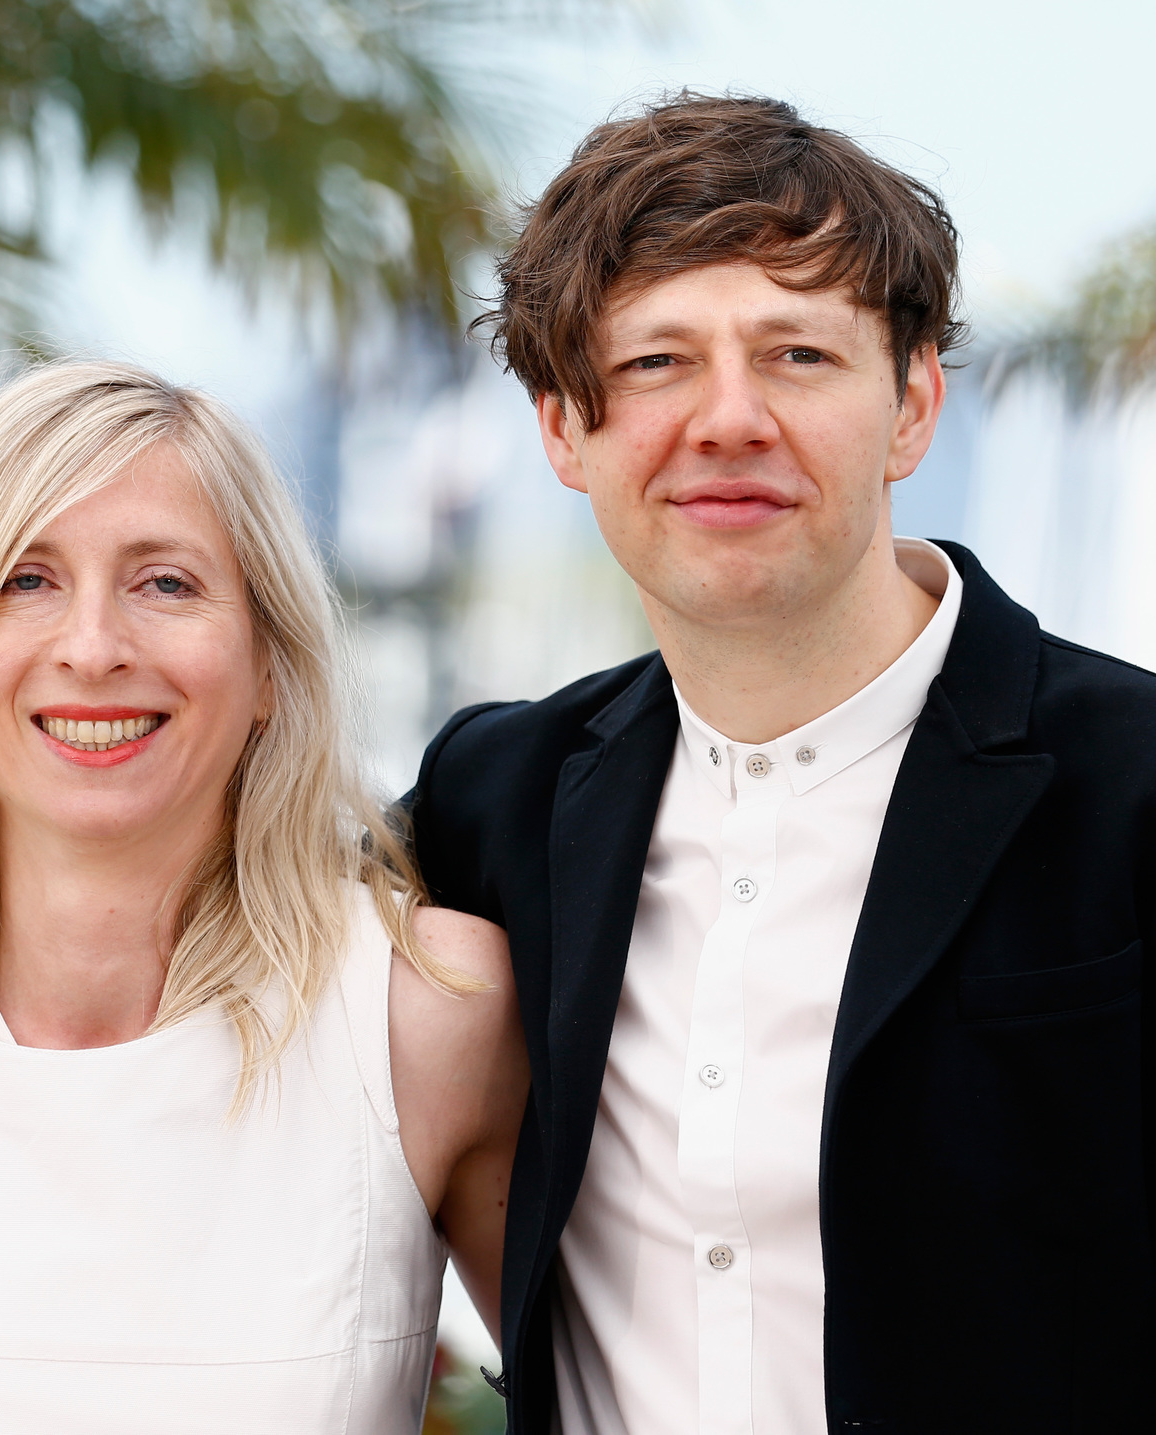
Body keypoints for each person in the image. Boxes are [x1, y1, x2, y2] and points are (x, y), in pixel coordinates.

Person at [406, 91, 1156, 1435]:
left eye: (799, 354)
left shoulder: (1136, 783)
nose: (730, 418)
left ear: (913, 404)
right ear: (563, 429)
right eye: (654, 364)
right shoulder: (494, 800)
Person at [0, 360, 528, 1433]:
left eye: (165, 583)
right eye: (23, 580)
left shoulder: (427, 1012)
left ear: (269, 664)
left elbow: (622, 1393)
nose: (93, 648)